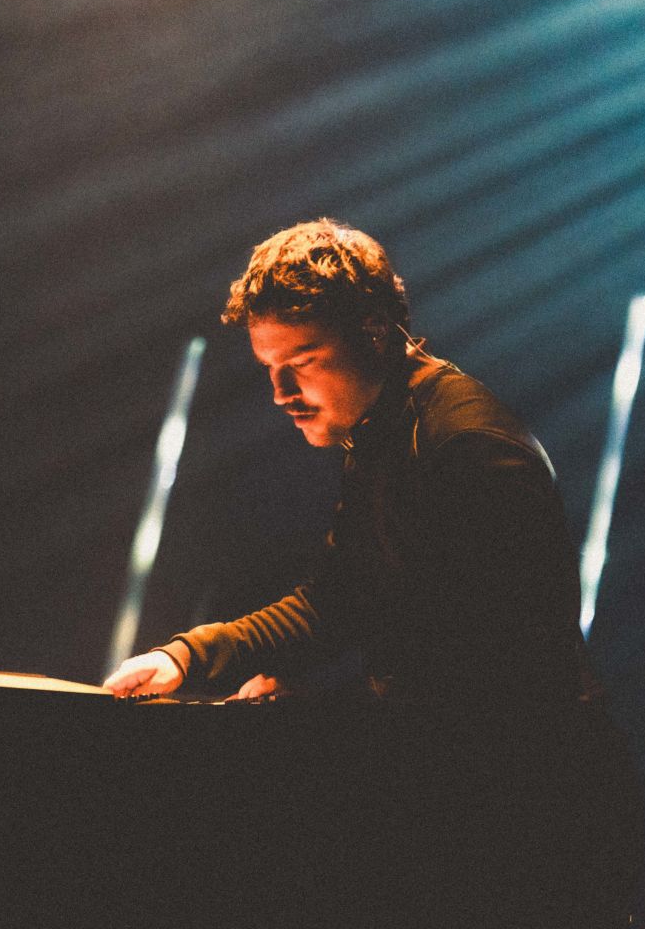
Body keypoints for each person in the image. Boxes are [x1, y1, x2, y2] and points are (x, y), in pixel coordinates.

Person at [102, 218, 592, 712]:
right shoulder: (382, 428)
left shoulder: (468, 448)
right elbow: (339, 601)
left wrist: (324, 708)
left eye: (302, 362)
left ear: (374, 331)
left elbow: (502, 677)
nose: (280, 394)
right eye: (270, 368)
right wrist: (185, 657)